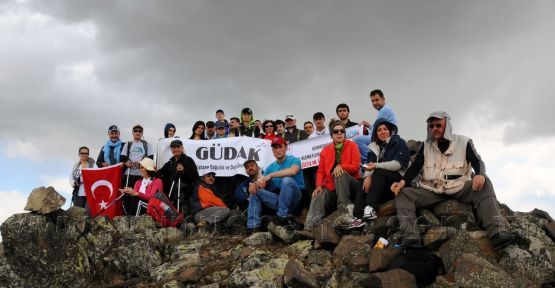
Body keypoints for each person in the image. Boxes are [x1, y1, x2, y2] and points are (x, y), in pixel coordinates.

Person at [390, 111, 522, 249]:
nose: (434, 129)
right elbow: (415, 167)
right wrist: (401, 183)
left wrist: (480, 174)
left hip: (459, 187)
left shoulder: (464, 142)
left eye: (438, 125)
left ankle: (497, 235)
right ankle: (412, 240)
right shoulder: (425, 146)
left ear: (447, 125)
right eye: (431, 126)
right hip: (433, 189)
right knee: (403, 193)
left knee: (485, 183)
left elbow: (477, 161)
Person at [348, 118, 410, 229]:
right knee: (362, 181)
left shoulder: (399, 142)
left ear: (390, 131)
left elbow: (398, 164)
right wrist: (367, 177)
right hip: (380, 184)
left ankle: (370, 208)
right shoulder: (373, 147)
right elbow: (368, 165)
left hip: (398, 180)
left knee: (379, 171)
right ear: (376, 133)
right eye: (379, 130)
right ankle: (358, 217)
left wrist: (376, 166)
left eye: (385, 129)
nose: (382, 132)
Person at [305, 120, 361, 231]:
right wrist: (319, 185)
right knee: (318, 194)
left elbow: (356, 166)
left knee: (340, 173)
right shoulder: (325, 151)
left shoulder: (353, 145)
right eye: (336, 131)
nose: (339, 133)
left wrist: (341, 166)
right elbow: (320, 171)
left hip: (352, 183)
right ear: (331, 135)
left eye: (342, 131)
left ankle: (344, 211)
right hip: (332, 186)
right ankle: (310, 227)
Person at [247, 137, 305, 232]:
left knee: (287, 180)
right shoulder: (271, 167)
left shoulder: (294, 160)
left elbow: (293, 171)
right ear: (272, 150)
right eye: (275, 148)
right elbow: (261, 181)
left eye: (280, 147)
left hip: (296, 199)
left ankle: (281, 216)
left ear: (286, 148)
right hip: (280, 199)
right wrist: (253, 184)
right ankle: (253, 226)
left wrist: (270, 175)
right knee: (254, 191)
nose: (277, 150)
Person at [353, 89, 399, 163]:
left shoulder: (385, 109)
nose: (374, 103)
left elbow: (375, 132)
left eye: (377, 100)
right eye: (372, 101)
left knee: (356, 140)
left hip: (386, 136)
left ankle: (369, 161)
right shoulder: (383, 110)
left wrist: (370, 128)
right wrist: (370, 126)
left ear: (383, 99)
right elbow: (377, 128)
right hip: (383, 135)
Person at [121, 124, 155, 215]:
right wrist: (126, 162)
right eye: (135, 131)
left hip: (142, 175)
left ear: (142, 133)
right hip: (129, 174)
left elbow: (151, 157)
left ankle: (139, 216)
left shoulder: (147, 145)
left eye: (139, 131)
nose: (137, 132)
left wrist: (141, 162)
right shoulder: (128, 144)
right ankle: (127, 216)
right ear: (132, 133)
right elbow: (123, 157)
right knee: (127, 195)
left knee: (139, 195)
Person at [158, 139, 200, 212]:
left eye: (178, 147)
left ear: (182, 148)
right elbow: (160, 172)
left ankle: (182, 214)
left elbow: (195, 176)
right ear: (171, 149)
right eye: (174, 147)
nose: (176, 149)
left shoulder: (188, 160)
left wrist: (184, 171)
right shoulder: (170, 162)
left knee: (179, 187)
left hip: (185, 191)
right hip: (170, 191)